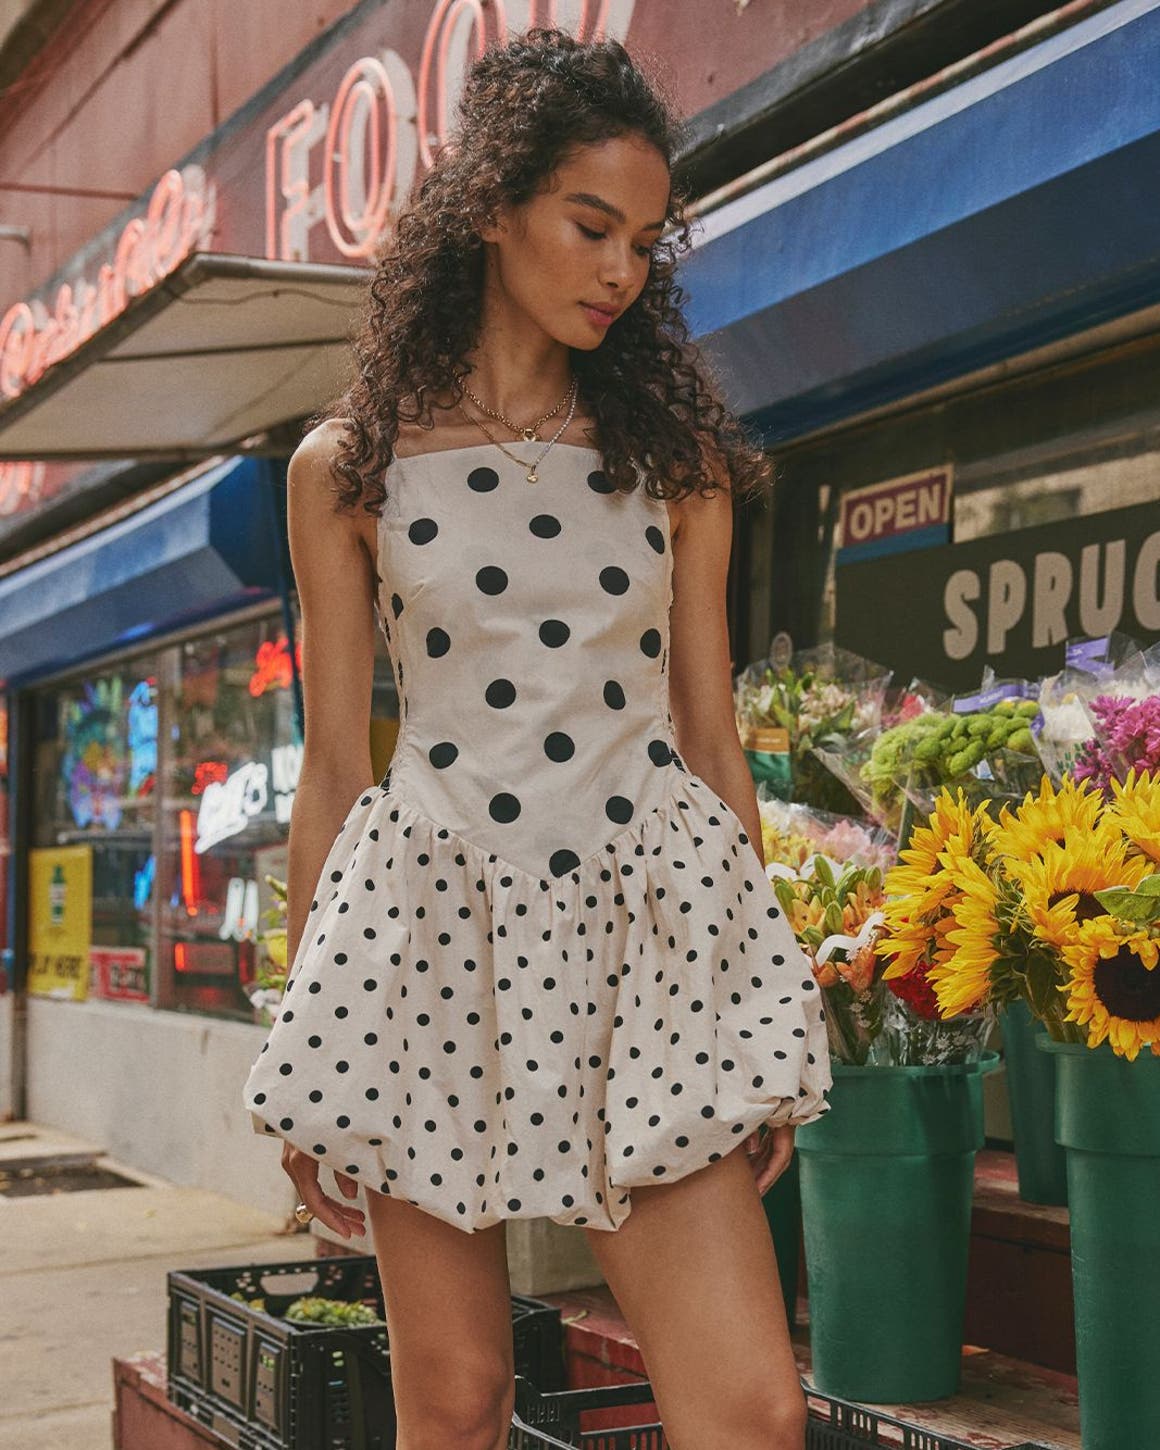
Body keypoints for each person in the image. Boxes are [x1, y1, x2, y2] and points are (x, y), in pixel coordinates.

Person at [242, 26, 830, 1450]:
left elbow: (710, 739)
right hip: (428, 936)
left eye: (644, 239)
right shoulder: (349, 468)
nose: (621, 269)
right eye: (590, 226)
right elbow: (335, 769)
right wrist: (313, 1052)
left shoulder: (675, 462)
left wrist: (759, 1009)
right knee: (453, 1401)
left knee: (748, 1409)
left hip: (647, 937)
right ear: (493, 207)